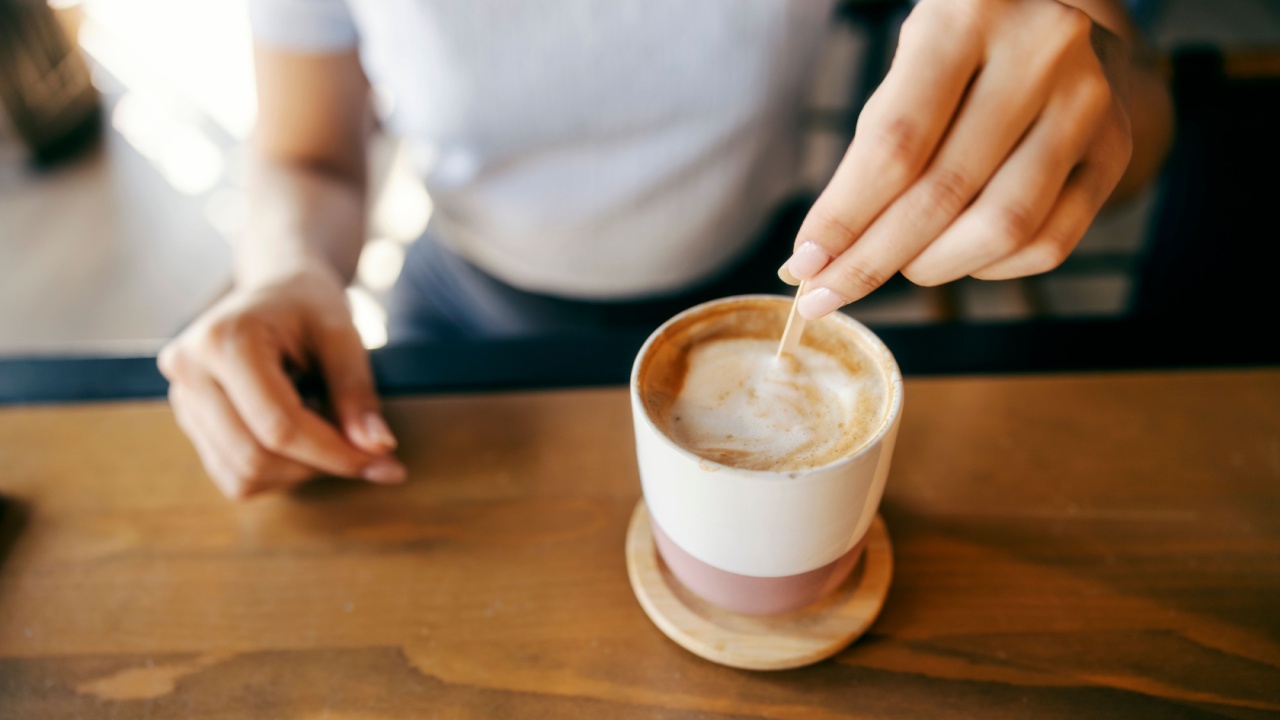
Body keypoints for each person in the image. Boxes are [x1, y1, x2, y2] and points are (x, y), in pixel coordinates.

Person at [159, 0, 1173, 499]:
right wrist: (284, 268)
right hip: (466, 319)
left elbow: (1134, 117)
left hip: (764, 291)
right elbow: (311, 154)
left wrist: (1097, 86)